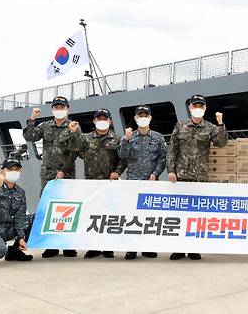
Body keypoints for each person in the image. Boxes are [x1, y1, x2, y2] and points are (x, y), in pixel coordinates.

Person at [167, 94, 228, 260]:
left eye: (201, 106)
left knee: (195, 214)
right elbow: (172, 149)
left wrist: (220, 123)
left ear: (205, 108)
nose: (198, 108)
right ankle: (179, 248)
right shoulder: (180, 126)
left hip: (199, 177)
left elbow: (221, 143)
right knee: (179, 214)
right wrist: (170, 170)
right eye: (195, 106)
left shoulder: (210, 128)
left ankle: (193, 247)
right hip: (180, 177)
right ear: (190, 108)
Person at [22, 95, 79, 258]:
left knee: (68, 210)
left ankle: (68, 246)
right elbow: (29, 137)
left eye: (62, 107)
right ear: (52, 109)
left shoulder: (73, 126)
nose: (59, 110)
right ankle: (51, 246)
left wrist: (64, 170)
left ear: (67, 109)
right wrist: (32, 118)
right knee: (48, 210)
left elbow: (76, 150)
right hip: (48, 175)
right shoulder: (45, 126)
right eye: (56, 107)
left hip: (66, 174)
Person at [70, 108, 125, 259]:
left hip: (110, 183)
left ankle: (108, 248)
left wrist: (118, 172)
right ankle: (93, 247)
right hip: (92, 183)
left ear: (110, 121)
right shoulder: (86, 138)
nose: (102, 121)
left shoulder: (116, 139)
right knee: (93, 216)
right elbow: (74, 148)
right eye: (99, 119)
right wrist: (74, 133)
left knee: (109, 216)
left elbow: (123, 158)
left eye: (104, 118)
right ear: (94, 121)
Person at [118, 105, 167, 260]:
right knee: (133, 217)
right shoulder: (128, 137)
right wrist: (125, 139)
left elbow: (163, 158)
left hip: (151, 183)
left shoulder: (158, 137)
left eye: (146, 115)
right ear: (135, 118)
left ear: (150, 118)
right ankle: (132, 248)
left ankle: (148, 247)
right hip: (133, 182)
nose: (143, 118)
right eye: (140, 115)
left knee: (150, 217)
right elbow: (122, 155)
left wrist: (155, 173)